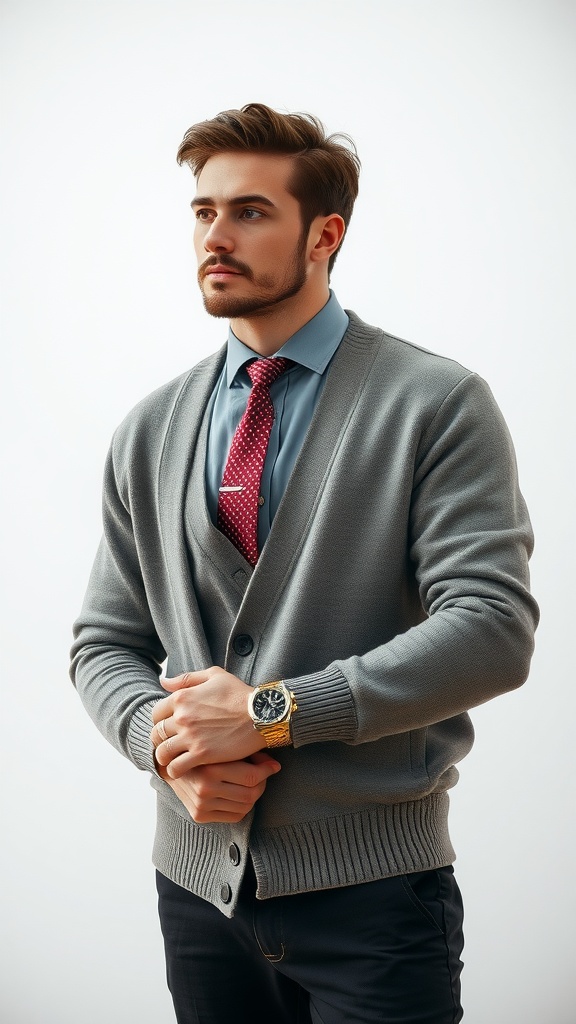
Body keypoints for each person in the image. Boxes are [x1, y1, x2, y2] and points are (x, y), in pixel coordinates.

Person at [71, 102, 538, 1024]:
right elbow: (103, 643)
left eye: (249, 212)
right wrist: (166, 751)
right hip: (198, 895)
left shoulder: (435, 404)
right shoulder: (150, 429)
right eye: (203, 212)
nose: (216, 236)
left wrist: (268, 716)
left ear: (325, 234)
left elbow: (491, 630)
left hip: (375, 900)